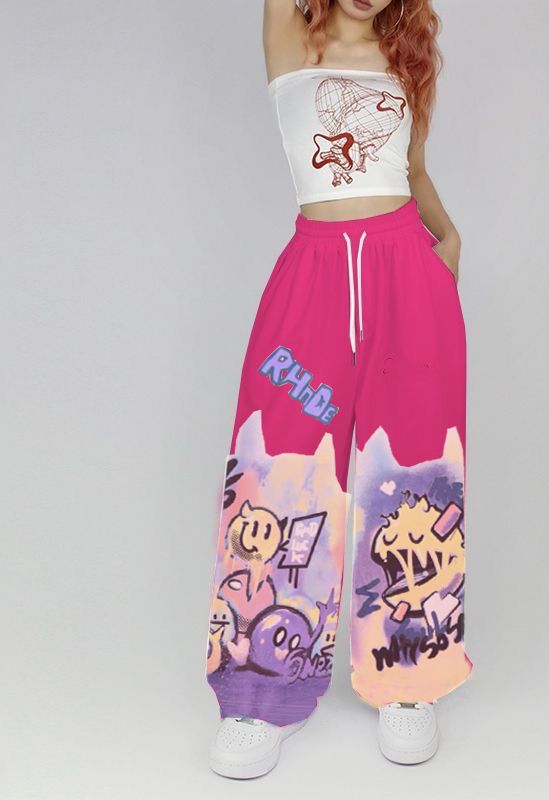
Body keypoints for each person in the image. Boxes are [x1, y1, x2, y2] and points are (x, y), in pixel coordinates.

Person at [205, 0, 472, 779]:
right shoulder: (293, 34)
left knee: (415, 470)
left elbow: (411, 172)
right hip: (314, 276)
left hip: (407, 276)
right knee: (279, 466)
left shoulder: (405, 60)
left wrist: (449, 238)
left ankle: (407, 676)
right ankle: (261, 690)